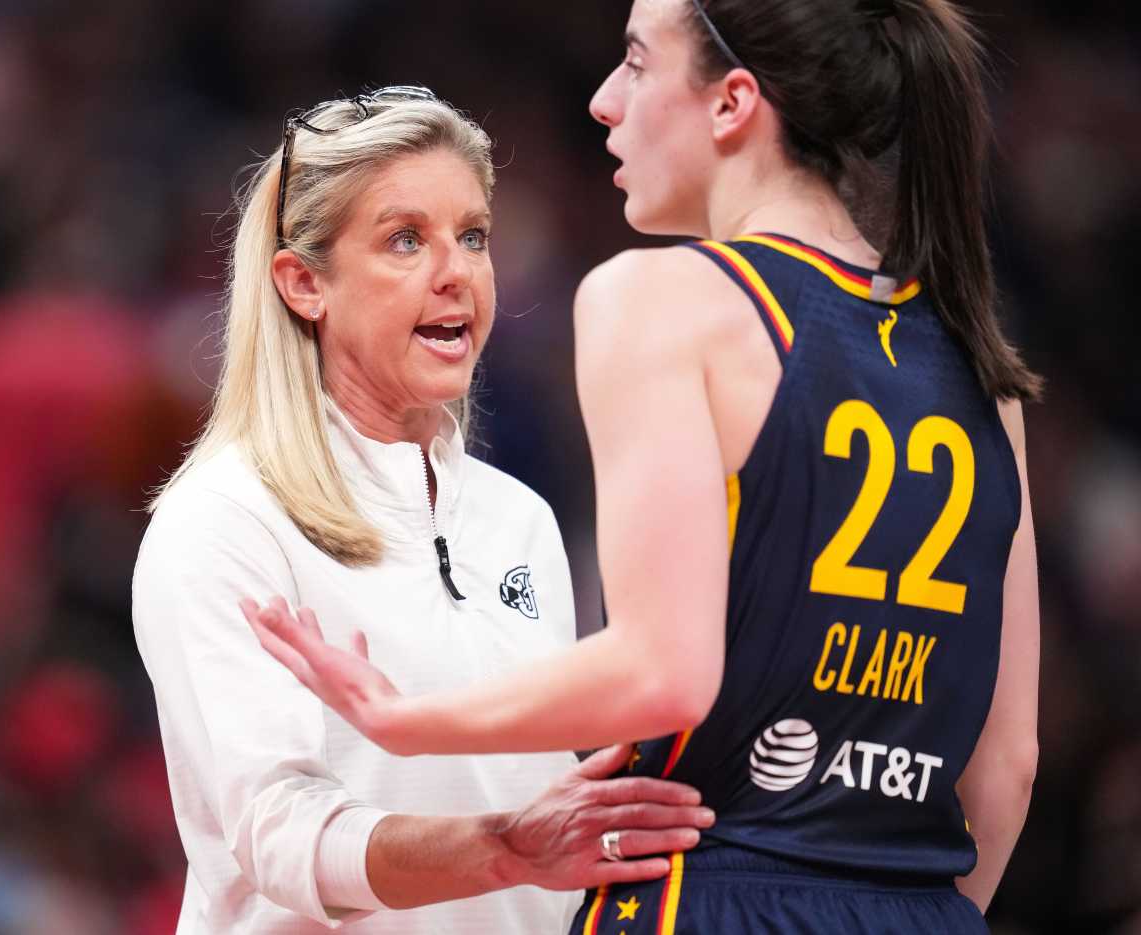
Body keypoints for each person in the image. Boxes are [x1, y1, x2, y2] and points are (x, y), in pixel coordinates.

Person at [249, 1, 1042, 932]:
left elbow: (664, 672)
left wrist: (405, 719)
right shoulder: (983, 365)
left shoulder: (664, 297)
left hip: (709, 895)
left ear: (732, 103)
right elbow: (1008, 764)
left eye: (635, 62)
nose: (603, 101)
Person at [132, 87, 715, 935]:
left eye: (472, 236)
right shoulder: (224, 519)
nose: (457, 272)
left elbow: (546, 816)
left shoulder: (522, 519)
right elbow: (277, 832)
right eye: (406, 240)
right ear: (303, 284)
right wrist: (502, 846)